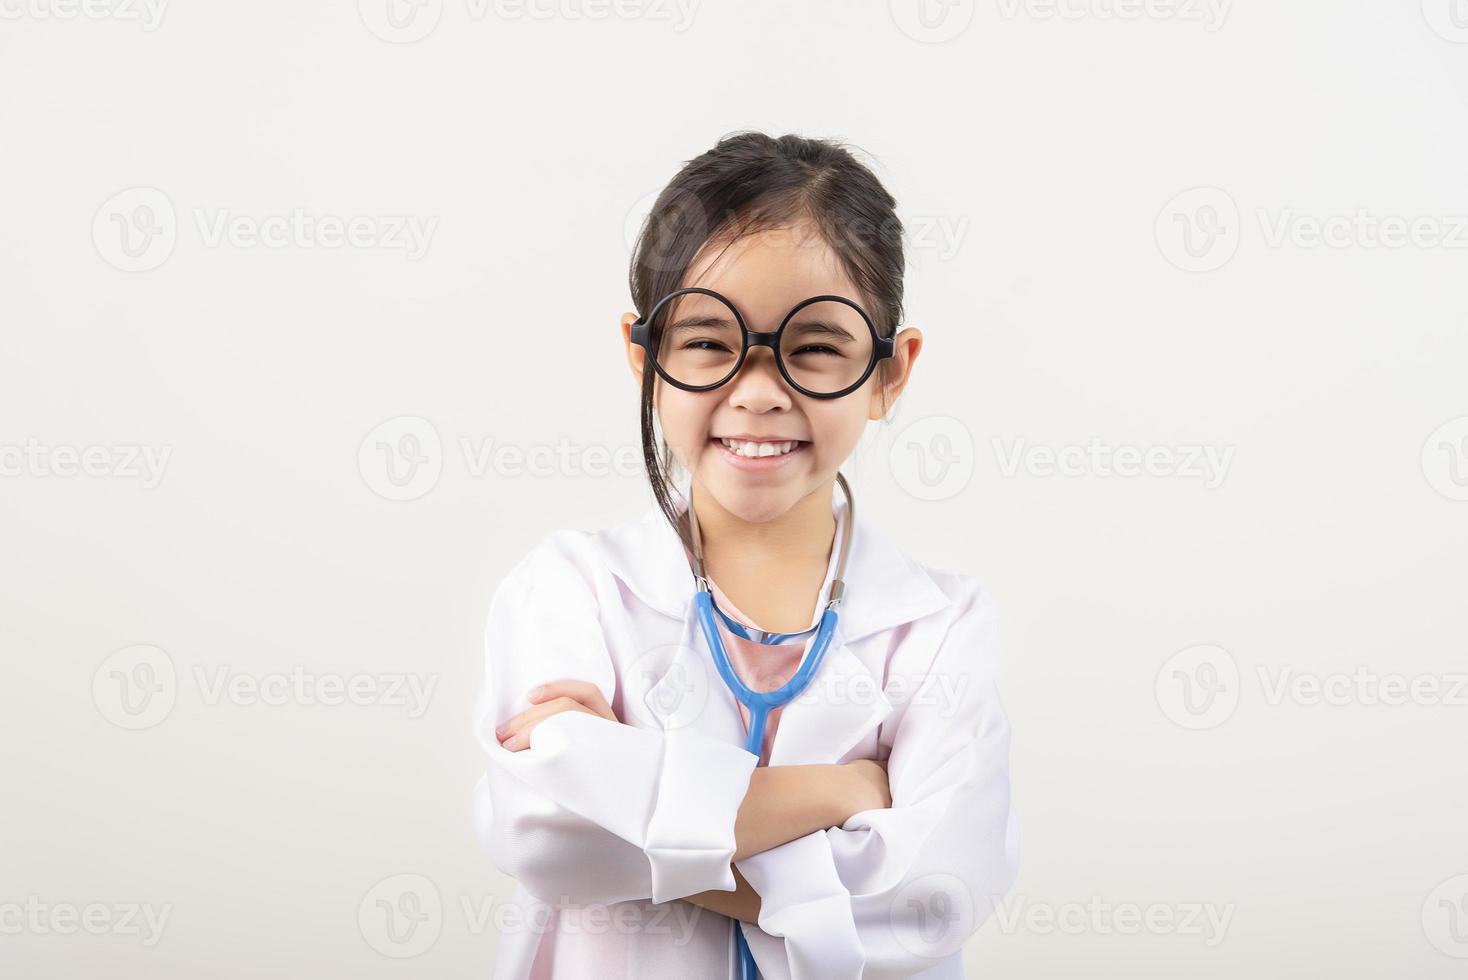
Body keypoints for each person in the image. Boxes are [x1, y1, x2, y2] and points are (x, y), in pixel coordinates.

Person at [471, 131, 1019, 979]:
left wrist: (631, 806)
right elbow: (542, 835)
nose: (759, 391)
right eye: (706, 341)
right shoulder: (573, 588)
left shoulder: (942, 626)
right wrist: (837, 798)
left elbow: (930, 899)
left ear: (890, 374)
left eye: (815, 347)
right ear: (643, 355)